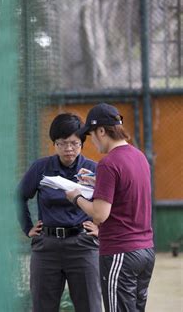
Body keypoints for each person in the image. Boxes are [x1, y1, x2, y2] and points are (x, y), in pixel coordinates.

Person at [66, 103, 155, 312]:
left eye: (91, 135)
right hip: (145, 251)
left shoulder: (108, 162)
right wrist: (97, 182)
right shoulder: (139, 156)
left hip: (120, 252)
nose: (92, 141)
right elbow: (126, 191)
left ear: (102, 131)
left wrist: (76, 197)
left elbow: (99, 214)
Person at [17, 113, 101, 312]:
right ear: (54, 144)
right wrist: (28, 228)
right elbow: (18, 197)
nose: (69, 149)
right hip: (47, 247)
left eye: (74, 143)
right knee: (43, 305)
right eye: (62, 143)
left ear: (82, 143)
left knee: (90, 305)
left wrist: (100, 228)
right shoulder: (41, 168)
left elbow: (110, 203)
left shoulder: (93, 169)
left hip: (83, 245)